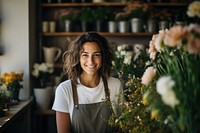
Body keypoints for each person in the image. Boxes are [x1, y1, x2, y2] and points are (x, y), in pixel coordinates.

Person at [52, 32, 123, 133]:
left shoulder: (115, 85)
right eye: (85, 55)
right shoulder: (64, 90)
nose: (91, 61)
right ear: (78, 57)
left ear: (103, 57)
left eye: (96, 54)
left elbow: (122, 126)